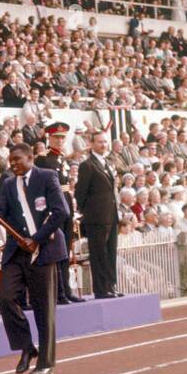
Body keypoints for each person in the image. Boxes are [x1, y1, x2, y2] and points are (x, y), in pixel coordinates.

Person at [0, 142, 68, 374]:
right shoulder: (7, 184)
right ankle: (26, 346)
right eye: (10, 160)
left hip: (43, 250)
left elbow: (61, 211)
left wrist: (36, 238)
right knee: (6, 298)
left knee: (43, 308)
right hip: (17, 252)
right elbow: (2, 214)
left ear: (29, 157)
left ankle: (46, 362)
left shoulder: (47, 177)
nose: (13, 164)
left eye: (17, 159)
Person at [34, 121, 81, 304]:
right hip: (54, 206)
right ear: (49, 138)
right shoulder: (43, 159)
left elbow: (67, 186)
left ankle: (66, 290)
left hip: (66, 202)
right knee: (57, 250)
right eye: (56, 138)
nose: (60, 141)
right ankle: (59, 291)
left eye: (62, 138)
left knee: (66, 249)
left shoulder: (61, 158)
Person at [75, 128, 121, 298]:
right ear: (92, 144)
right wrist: (89, 213)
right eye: (100, 142)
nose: (104, 145)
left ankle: (111, 285)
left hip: (111, 215)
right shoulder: (87, 165)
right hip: (97, 218)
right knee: (99, 254)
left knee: (110, 252)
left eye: (105, 141)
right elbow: (81, 193)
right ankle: (101, 289)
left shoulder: (107, 163)